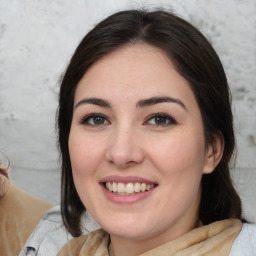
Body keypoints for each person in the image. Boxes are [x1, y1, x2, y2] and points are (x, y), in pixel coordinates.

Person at [22, 8, 256, 256]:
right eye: (96, 118)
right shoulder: (47, 245)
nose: (121, 153)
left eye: (159, 119)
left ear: (212, 149)